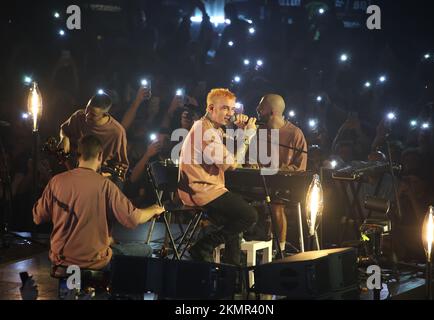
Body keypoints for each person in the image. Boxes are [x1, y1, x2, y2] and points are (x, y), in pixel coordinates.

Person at [33, 135, 165, 270]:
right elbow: (133, 218)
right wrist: (154, 209)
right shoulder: (105, 185)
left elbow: (38, 217)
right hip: (94, 261)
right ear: (100, 156)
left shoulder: (56, 181)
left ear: (78, 155)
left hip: (60, 260)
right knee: (146, 249)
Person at [178, 88, 258, 265]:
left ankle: (233, 273)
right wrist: (247, 136)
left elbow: (228, 156)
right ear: (211, 108)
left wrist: (236, 129)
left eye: (231, 109)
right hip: (201, 190)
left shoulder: (212, 128)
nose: (229, 114)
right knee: (249, 216)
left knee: (235, 222)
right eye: (225, 109)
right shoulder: (204, 130)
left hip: (208, 188)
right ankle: (203, 247)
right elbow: (231, 164)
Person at [255, 94, 308, 253]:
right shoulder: (258, 130)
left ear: (272, 112)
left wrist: (280, 172)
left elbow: (300, 167)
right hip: (259, 183)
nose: (257, 109)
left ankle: (279, 250)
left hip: (285, 187)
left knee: (275, 204)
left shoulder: (295, 134)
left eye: (261, 106)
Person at [59, 91, 129, 184]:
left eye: (93, 114)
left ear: (104, 114)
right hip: (72, 167)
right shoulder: (79, 116)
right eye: (87, 109)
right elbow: (64, 130)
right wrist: (64, 138)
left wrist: (109, 176)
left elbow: (122, 166)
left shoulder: (117, 132)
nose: (87, 115)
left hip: (98, 175)